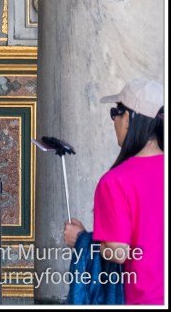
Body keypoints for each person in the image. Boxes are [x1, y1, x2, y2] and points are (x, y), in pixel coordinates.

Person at [63, 77, 164, 306]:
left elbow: (117, 252)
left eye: (115, 113)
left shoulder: (116, 181)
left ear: (128, 118)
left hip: (141, 299)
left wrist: (80, 239)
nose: (114, 121)